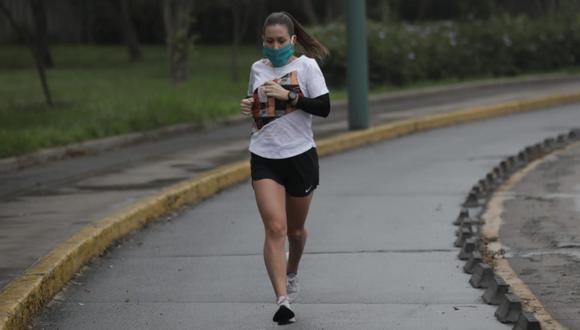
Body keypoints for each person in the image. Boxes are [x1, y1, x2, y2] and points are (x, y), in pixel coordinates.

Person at [239, 11, 331, 325]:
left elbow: (324, 108)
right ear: (263, 42)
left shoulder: (307, 66)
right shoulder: (257, 68)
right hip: (264, 155)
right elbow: (259, 110)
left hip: (300, 157)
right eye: (269, 41)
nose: (275, 46)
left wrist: (290, 95)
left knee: (295, 231)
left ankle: (292, 269)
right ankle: (282, 300)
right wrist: (249, 107)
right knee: (275, 228)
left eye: (281, 40)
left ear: (292, 40)